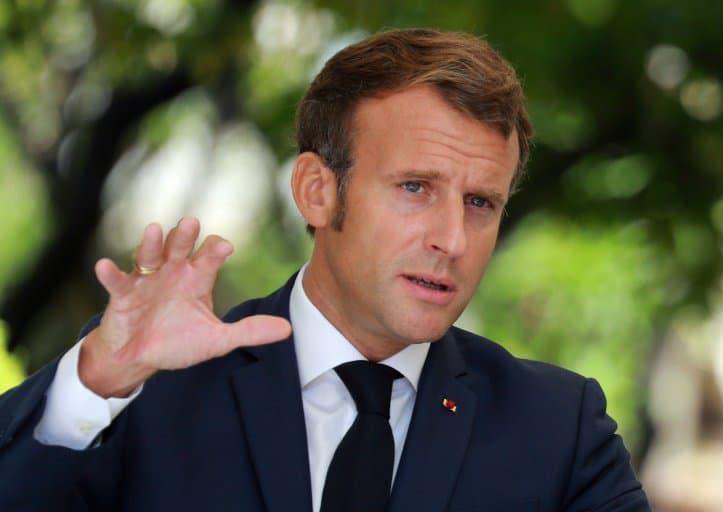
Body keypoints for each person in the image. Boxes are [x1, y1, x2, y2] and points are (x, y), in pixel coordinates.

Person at [0, 28, 651, 511]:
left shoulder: (558, 429)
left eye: (481, 202)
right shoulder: (146, 391)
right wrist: (94, 384)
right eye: (416, 188)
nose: (453, 239)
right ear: (317, 190)